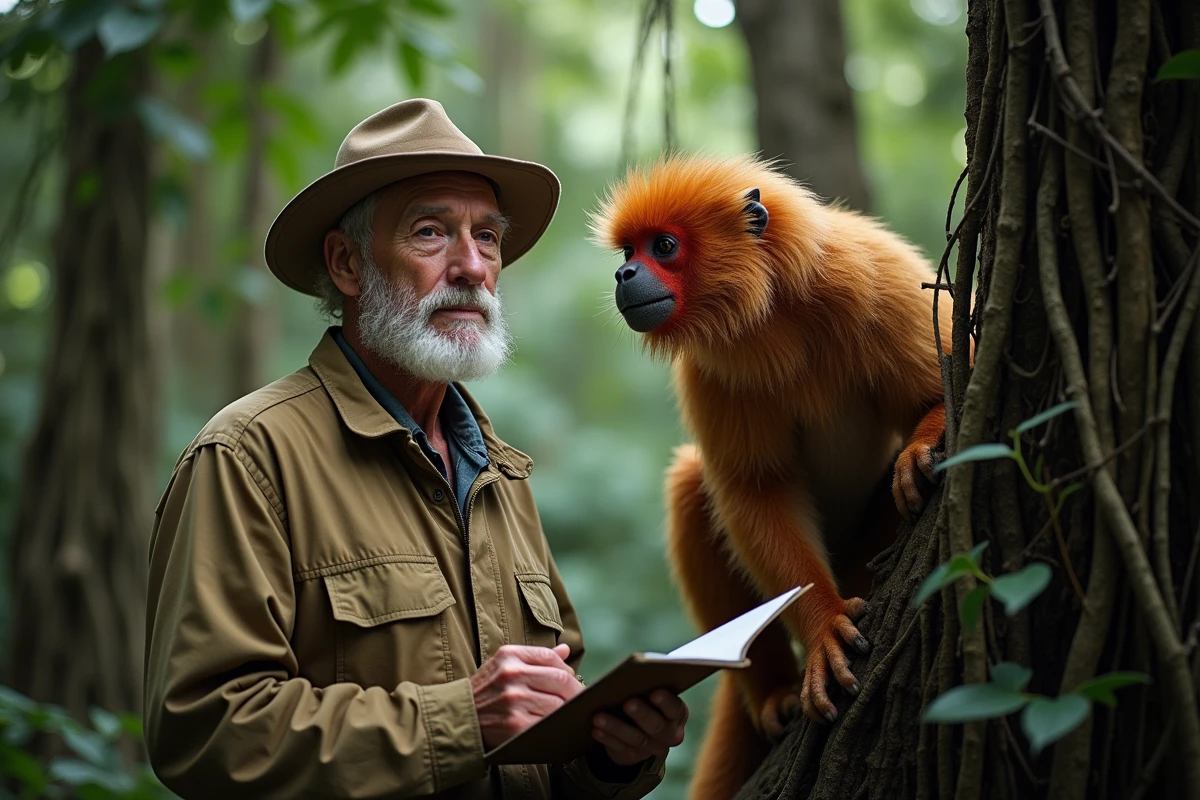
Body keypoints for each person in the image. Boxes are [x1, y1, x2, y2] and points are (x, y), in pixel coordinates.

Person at [143, 98, 689, 799]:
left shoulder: (501, 473)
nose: (470, 265)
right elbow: (203, 732)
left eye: (487, 237)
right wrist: (463, 719)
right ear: (346, 262)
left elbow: (543, 743)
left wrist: (614, 754)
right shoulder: (249, 456)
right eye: (431, 232)